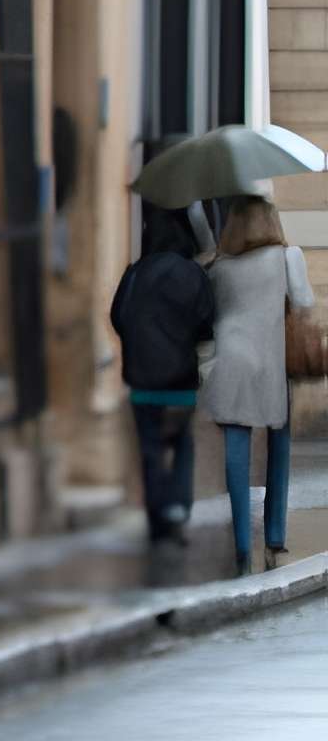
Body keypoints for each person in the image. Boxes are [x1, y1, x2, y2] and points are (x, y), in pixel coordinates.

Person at [199, 194, 314, 573]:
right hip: (271, 362)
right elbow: (303, 302)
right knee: (279, 448)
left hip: (230, 361)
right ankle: (275, 537)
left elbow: (210, 311)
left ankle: (242, 546)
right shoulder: (287, 256)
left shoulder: (219, 265)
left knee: (236, 448)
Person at [109, 204, 214, 547]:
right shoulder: (193, 273)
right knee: (182, 443)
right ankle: (178, 511)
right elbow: (207, 322)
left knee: (151, 449)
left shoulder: (135, 272)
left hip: (142, 381)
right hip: (180, 381)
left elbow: (118, 317)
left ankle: (158, 521)